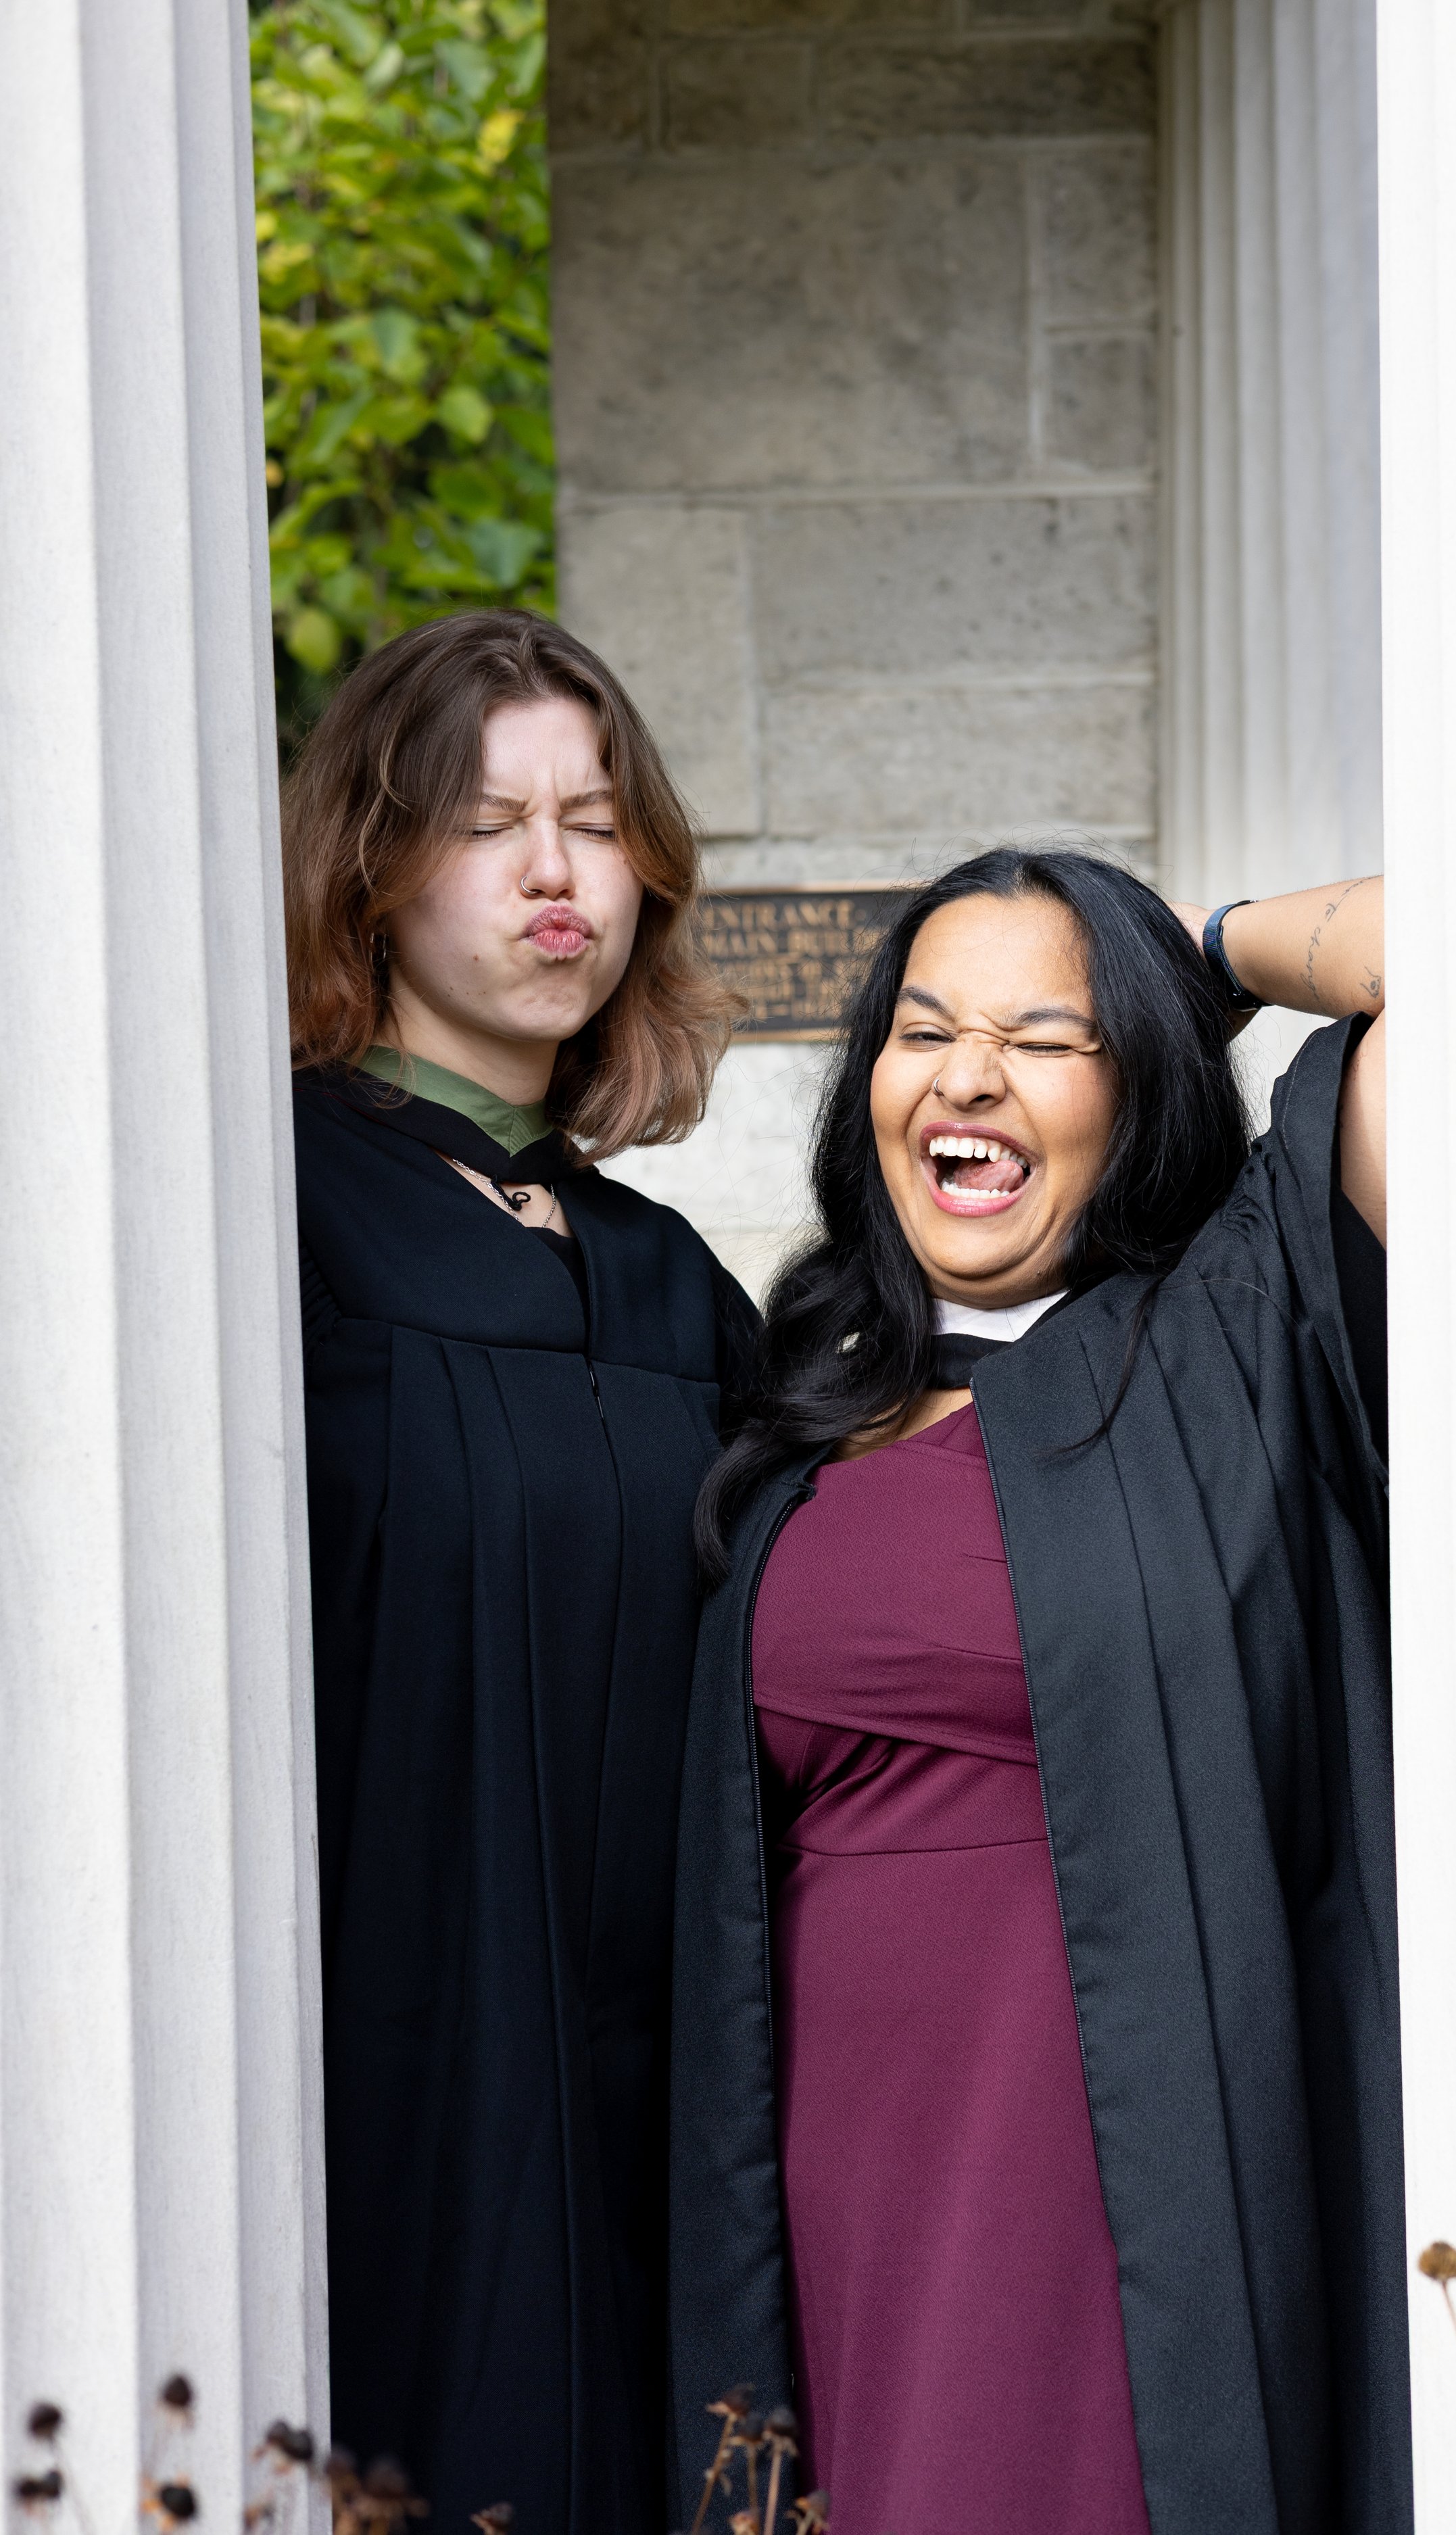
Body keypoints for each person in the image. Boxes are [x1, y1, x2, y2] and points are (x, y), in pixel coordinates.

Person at [670, 848, 1399, 2535]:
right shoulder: (801, 1414)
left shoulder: (1231, 1335)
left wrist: (1199, 953)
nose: (968, 1074)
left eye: (1046, 1035)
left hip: (1115, 2171)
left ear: (1137, 1089)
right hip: (833, 2185)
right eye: (923, 1031)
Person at [285, 610, 757, 2534]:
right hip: (394, 2056)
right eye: (491, 823)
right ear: (377, 872)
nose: (559, 874)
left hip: (653, 2077)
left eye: (593, 817)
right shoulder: (266, 1210)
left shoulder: (665, 1280)